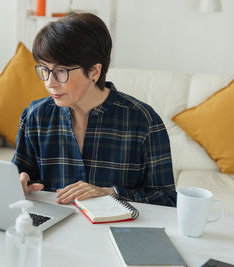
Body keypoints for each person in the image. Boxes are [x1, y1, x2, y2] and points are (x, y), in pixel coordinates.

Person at [12, 12, 177, 207]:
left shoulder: (143, 121)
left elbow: (167, 200)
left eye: (61, 71)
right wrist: (19, 182)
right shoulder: (35, 116)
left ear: (94, 72)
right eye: (45, 69)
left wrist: (111, 193)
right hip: (49, 230)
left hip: (114, 231)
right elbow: (18, 175)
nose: (50, 83)